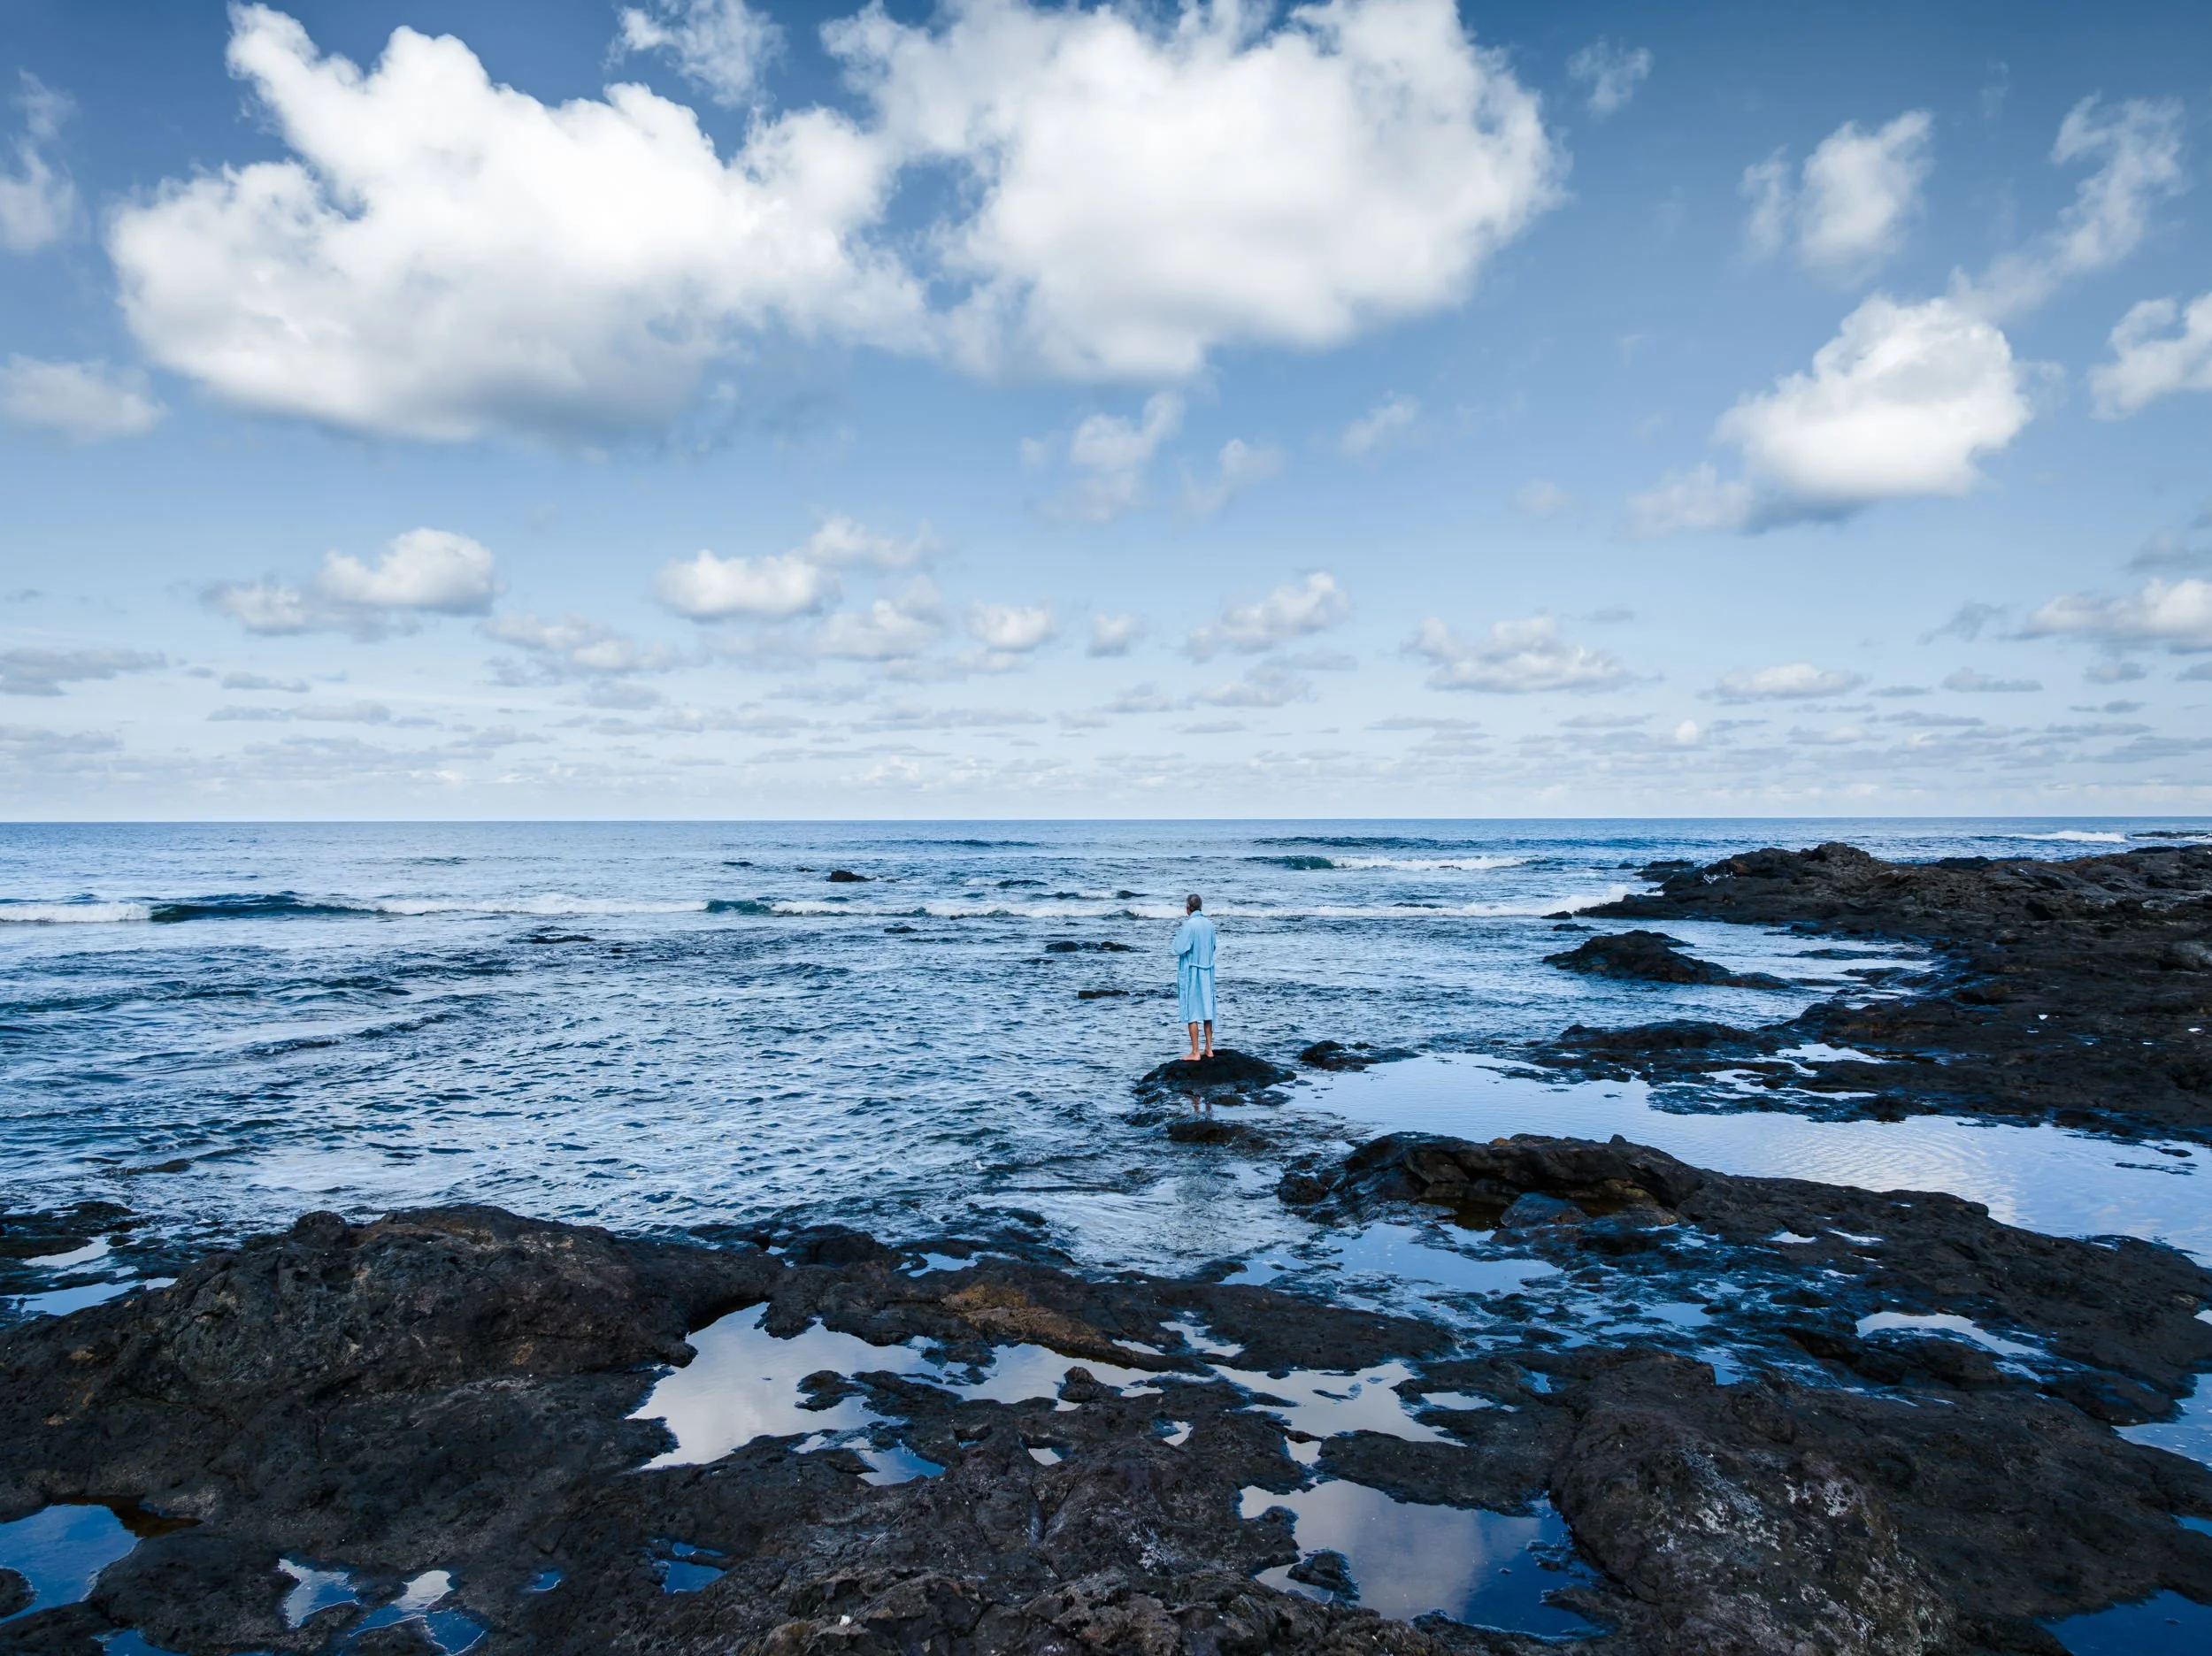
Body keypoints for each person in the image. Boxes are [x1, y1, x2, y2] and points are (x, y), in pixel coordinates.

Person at [1173, 893, 1217, 1061]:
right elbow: (1213, 946)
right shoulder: (1210, 924)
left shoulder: (1189, 925)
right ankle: (1209, 1048)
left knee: (1192, 1011)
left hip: (1193, 971)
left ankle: (1195, 1052)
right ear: (1200, 907)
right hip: (1208, 971)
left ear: (1187, 909)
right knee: (1207, 1009)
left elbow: (1179, 948)